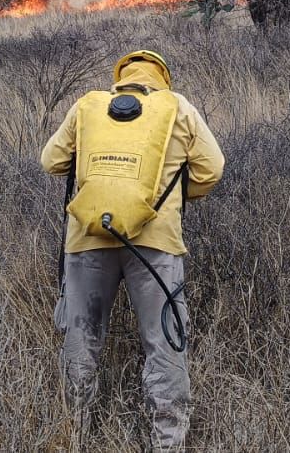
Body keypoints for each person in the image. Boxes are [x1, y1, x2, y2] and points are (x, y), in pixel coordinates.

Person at [40, 49, 224, 451]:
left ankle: (74, 433)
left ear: (119, 79)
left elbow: (51, 161)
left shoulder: (87, 106)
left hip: (87, 238)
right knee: (163, 342)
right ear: (163, 79)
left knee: (81, 339)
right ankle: (168, 443)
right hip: (155, 245)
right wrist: (168, 196)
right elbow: (212, 169)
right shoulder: (179, 108)